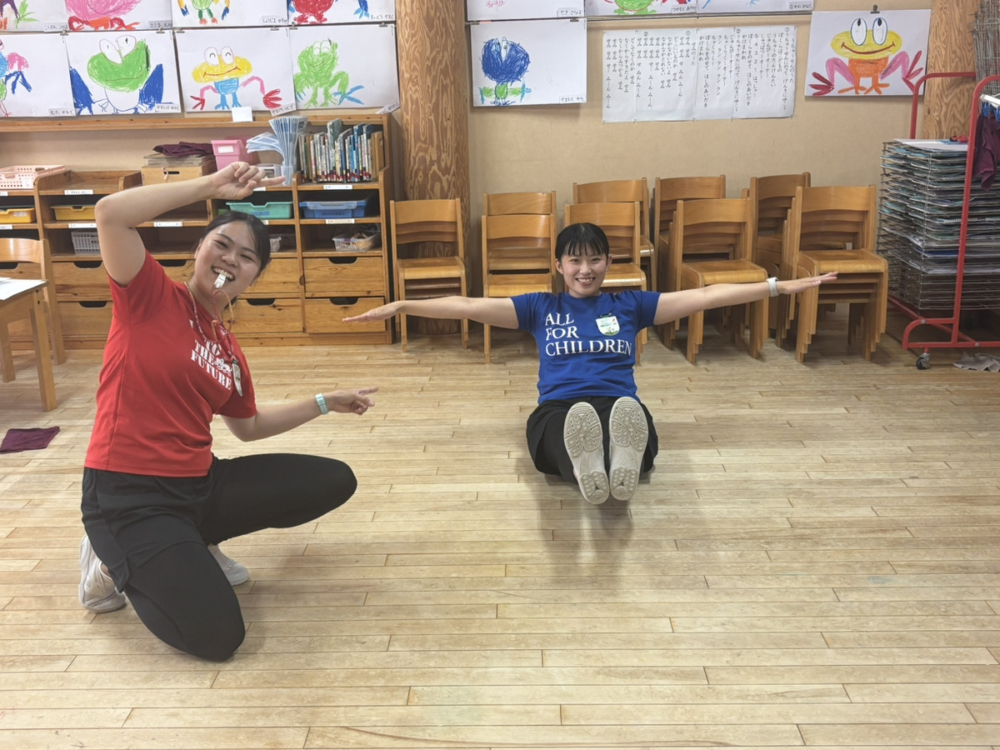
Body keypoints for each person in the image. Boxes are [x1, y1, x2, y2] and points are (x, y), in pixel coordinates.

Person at [79, 162, 377, 662]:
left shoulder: (227, 347)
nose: (230, 259)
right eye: (221, 244)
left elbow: (249, 427)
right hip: (128, 494)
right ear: (199, 249)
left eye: (247, 256)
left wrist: (325, 403)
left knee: (333, 479)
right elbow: (110, 214)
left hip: (199, 486)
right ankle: (109, 562)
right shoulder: (150, 295)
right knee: (218, 638)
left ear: (254, 276)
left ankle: (191, 540)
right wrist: (211, 186)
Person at [346, 222, 835, 505]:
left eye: (595, 260)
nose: (586, 270)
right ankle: (592, 467)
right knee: (559, 429)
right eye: (575, 261)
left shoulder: (631, 305)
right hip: (560, 406)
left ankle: (612, 460)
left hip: (618, 404)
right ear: (559, 265)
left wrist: (778, 286)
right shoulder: (539, 308)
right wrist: (403, 305)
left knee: (633, 424)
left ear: (608, 263)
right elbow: (468, 306)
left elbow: (708, 295)